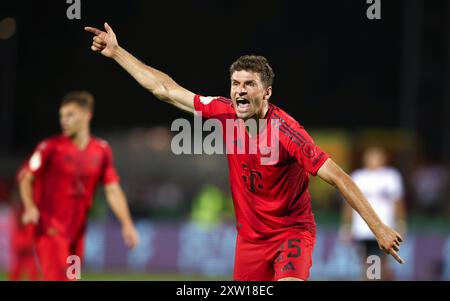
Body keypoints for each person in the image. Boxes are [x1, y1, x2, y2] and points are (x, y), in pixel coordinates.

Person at [85, 23, 405, 281]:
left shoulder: (288, 132)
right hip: (250, 242)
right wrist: (117, 53)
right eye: (235, 83)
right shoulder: (223, 112)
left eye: (248, 84)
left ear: (266, 92)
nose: (239, 90)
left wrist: (378, 227)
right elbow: (165, 90)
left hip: (291, 234)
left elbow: (339, 177)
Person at [20, 91, 139, 280]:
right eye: (61, 116)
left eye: (70, 115)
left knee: (72, 279)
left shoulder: (101, 150)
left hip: (77, 233)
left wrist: (127, 224)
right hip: (50, 230)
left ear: (87, 115)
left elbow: (112, 189)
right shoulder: (50, 147)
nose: (63, 121)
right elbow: (26, 178)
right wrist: (30, 206)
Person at [340, 147, 407, 280]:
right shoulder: (358, 176)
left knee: (379, 262)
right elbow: (349, 203)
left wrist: (400, 222)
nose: (373, 160)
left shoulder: (390, 176)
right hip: (364, 228)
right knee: (371, 262)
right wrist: (346, 225)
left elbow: (398, 202)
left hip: (384, 228)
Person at [9, 161, 39, 281]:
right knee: (29, 264)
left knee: (19, 265)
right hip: (25, 236)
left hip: (20, 237)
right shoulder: (24, 201)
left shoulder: (18, 200)